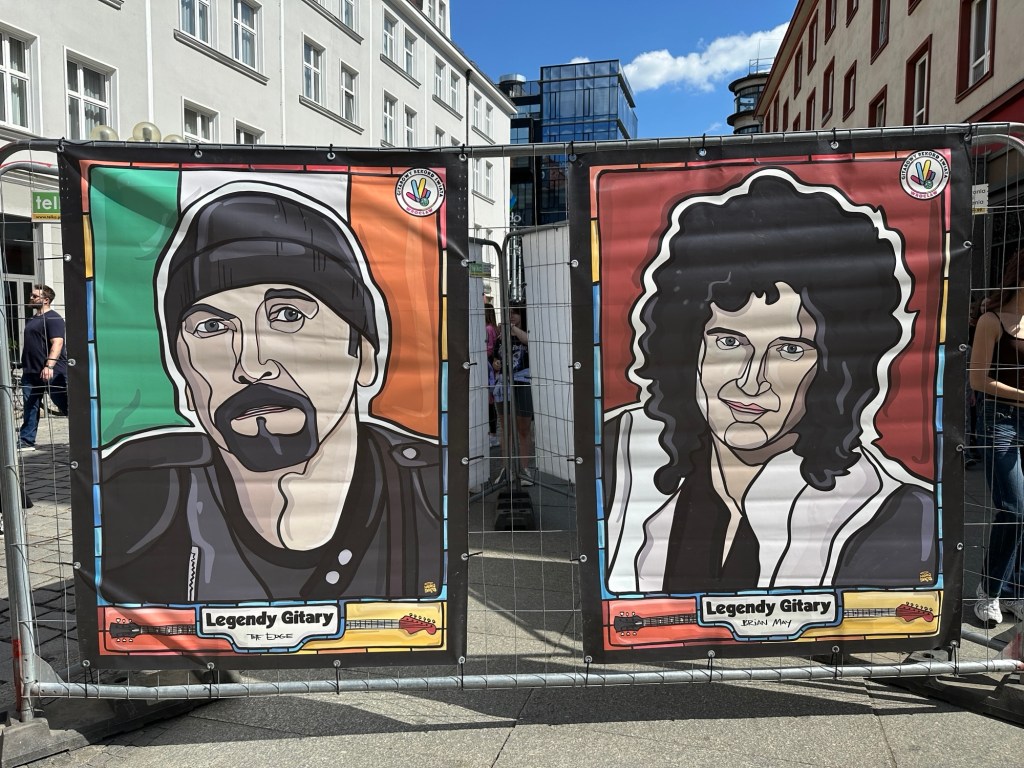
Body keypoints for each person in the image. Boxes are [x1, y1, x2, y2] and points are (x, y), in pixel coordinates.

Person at [97, 184, 443, 604]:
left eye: (288, 316)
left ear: (365, 355)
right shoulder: (135, 495)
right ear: (183, 373)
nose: (251, 364)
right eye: (212, 327)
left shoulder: (429, 492)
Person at [604, 170, 937, 594]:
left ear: (835, 368)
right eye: (728, 341)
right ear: (688, 347)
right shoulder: (621, 449)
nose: (751, 381)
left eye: (790, 349)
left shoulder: (889, 513)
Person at [968, 250, 1024, 626]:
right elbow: (978, 379)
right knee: (1014, 508)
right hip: (1001, 419)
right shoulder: (993, 320)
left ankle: (1015, 592)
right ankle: (988, 592)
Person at [18, 284, 68, 450]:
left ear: (46, 300)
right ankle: (26, 440)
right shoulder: (32, 319)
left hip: (52, 372)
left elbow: (58, 342)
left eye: (35, 296)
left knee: (65, 404)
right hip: (31, 372)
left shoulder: (53, 318)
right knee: (30, 407)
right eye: (31, 295)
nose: (31, 298)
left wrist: (49, 366)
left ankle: (86, 435)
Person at [492, 304, 534, 486]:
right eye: (508, 313)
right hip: (503, 383)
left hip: (523, 382)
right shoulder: (500, 337)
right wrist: (496, 363)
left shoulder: (526, 332)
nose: (511, 316)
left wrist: (513, 329)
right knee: (506, 428)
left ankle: (524, 469)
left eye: (515, 312)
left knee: (523, 428)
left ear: (522, 314)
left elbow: (529, 342)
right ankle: (506, 468)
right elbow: (495, 357)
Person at [484, 303, 500, 448]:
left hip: (488, 367)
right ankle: (492, 434)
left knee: (489, 403)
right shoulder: (493, 328)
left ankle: (492, 435)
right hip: (492, 367)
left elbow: (489, 349)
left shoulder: (488, 329)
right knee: (490, 402)